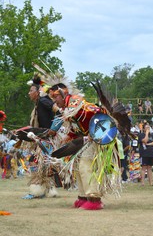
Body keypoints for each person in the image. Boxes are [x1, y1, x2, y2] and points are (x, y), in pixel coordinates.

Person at [49, 82, 124, 210]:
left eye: (55, 97)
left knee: (85, 164)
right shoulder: (68, 108)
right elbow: (77, 127)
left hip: (97, 138)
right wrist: (69, 137)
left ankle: (94, 199)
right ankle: (83, 197)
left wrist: (94, 132)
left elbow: (100, 112)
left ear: (62, 94)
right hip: (88, 138)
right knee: (78, 165)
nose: (54, 101)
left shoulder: (76, 103)